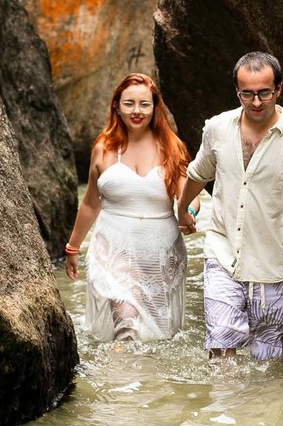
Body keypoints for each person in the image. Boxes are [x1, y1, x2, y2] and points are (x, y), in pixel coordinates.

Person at [177, 51, 283, 360]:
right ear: (237, 91)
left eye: (264, 93)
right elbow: (198, 173)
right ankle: (225, 394)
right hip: (222, 255)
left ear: (279, 89)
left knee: (266, 361)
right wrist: (182, 210)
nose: (256, 102)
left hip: (275, 266)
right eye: (247, 94)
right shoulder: (217, 128)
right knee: (221, 346)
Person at [64, 73, 199, 341]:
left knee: (155, 335)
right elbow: (90, 202)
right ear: (117, 106)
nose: (137, 111)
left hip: (160, 251)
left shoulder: (172, 148)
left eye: (144, 104)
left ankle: (143, 370)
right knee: (126, 324)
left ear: (154, 107)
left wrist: (189, 213)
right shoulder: (103, 148)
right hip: (114, 246)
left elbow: (189, 195)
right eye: (129, 103)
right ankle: (121, 368)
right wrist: (73, 247)